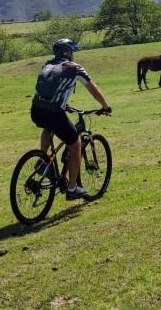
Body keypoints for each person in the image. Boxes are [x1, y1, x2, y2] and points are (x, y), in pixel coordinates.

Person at [30, 38, 112, 200]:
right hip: (54, 113)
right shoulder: (75, 68)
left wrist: (63, 105)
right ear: (68, 52)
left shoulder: (47, 65)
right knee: (75, 144)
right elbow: (92, 88)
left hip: (36, 110)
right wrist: (105, 106)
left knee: (48, 128)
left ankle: (42, 161)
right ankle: (73, 188)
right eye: (72, 51)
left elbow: (50, 91)